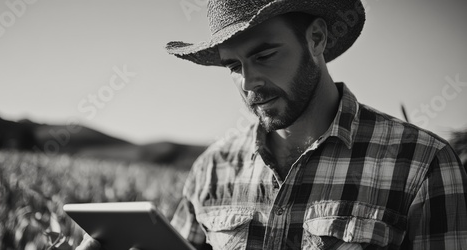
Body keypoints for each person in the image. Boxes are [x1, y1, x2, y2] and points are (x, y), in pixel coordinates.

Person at [78, 0, 467, 249]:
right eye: (234, 66)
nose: (248, 82)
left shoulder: (422, 163)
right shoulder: (211, 171)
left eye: (264, 54)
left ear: (316, 38)